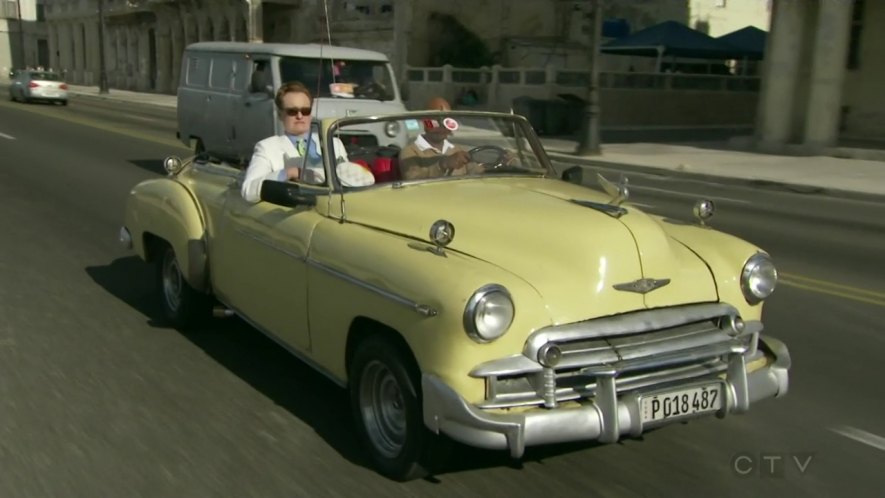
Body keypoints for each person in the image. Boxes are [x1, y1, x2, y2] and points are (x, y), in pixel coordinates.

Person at [241, 81, 371, 203]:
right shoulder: (267, 147)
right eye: (292, 111)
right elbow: (248, 190)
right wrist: (289, 173)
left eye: (305, 111)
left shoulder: (334, 143)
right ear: (280, 114)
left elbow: (349, 182)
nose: (299, 116)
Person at [399, 97, 484, 180]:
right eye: (435, 120)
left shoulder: (459, 150)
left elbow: (480, 175)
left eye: (446, 121)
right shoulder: (410, 152)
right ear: (425, 122)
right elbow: (413, 181)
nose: (441, 126)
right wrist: (443, 165)